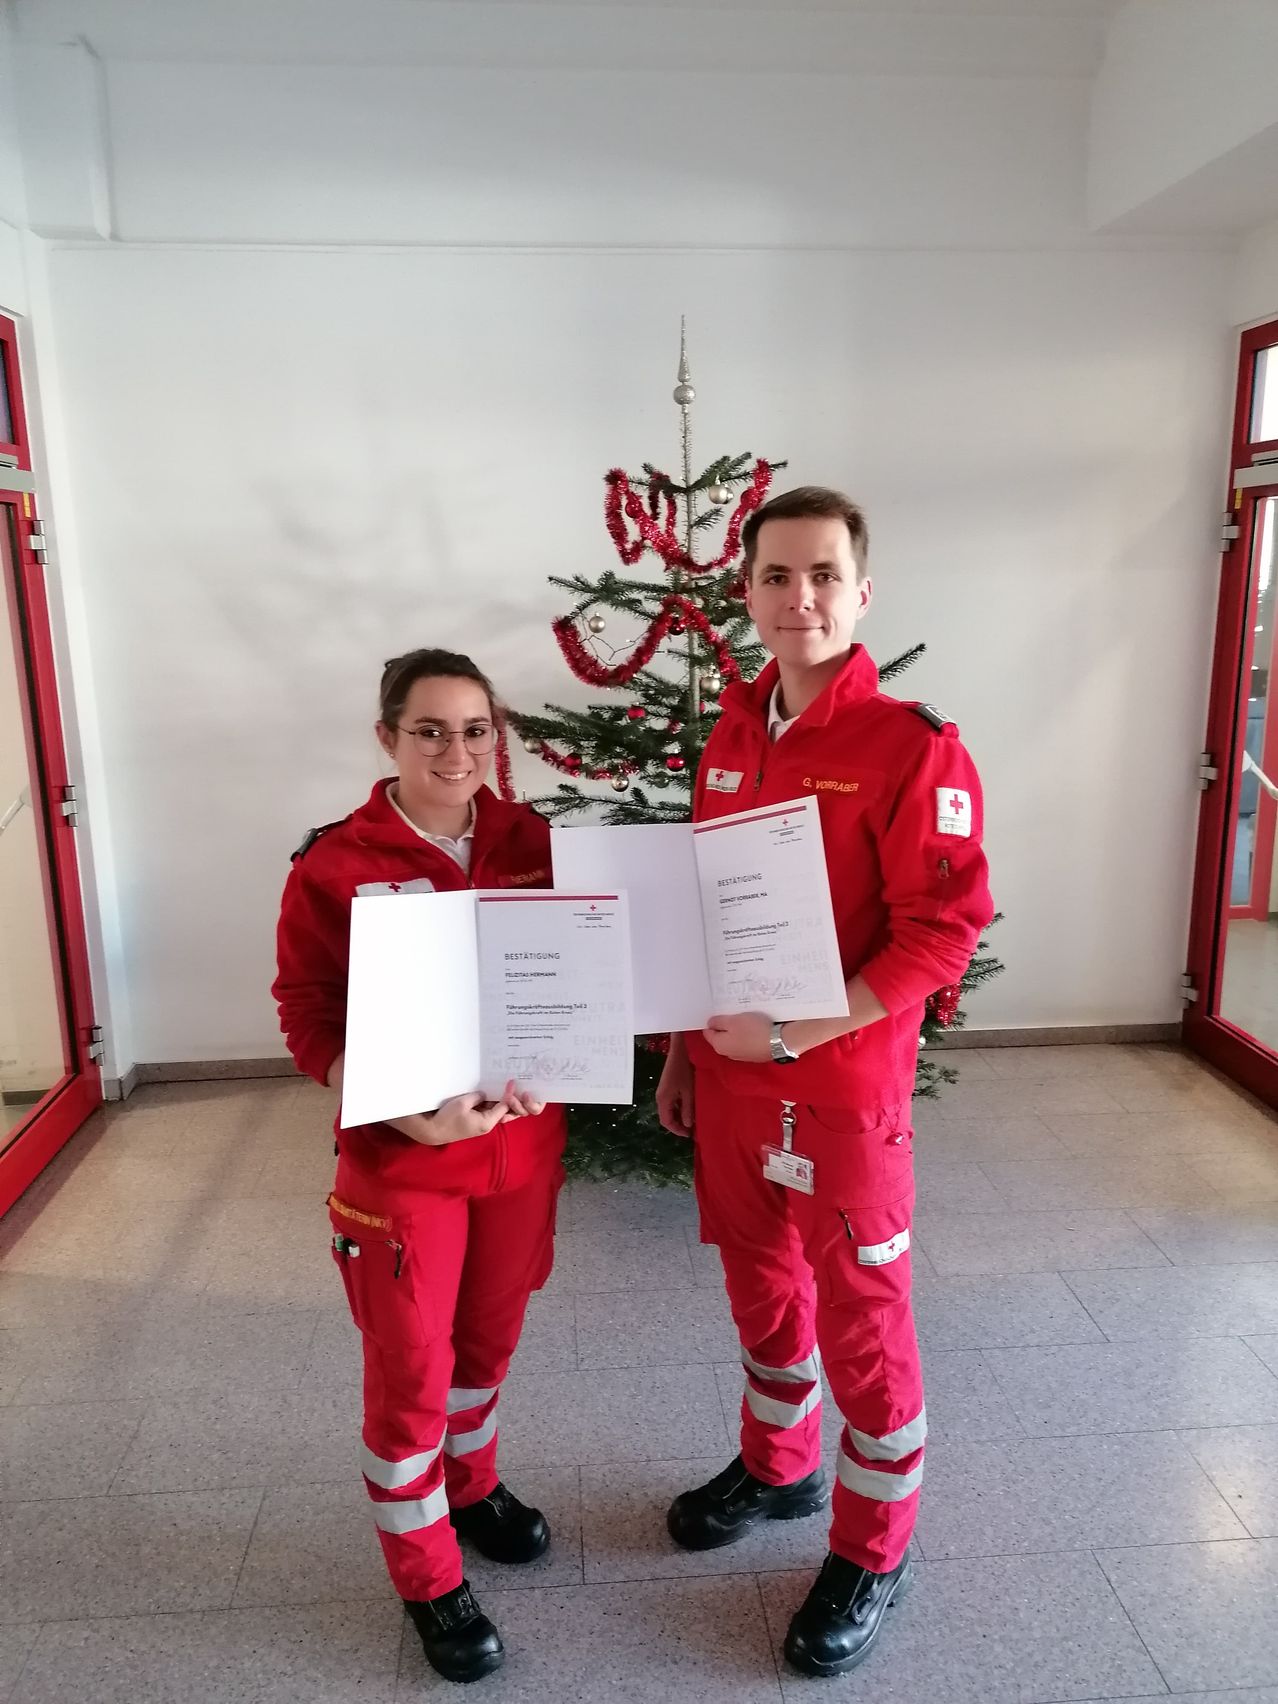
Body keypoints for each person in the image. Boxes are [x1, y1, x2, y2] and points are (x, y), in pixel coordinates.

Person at [656, 487, 993, 1678]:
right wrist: (692, 1055)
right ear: (744, 593)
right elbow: (708, 917)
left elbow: (942, 933)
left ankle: (873, 1545)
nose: (798, 598)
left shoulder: (914, 748)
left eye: (822, 576)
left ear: (861, 594)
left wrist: (797, 1035)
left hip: (842, 1098)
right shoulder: (733, 734)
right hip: (736, 1094)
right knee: (761, 1293)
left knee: (864, 1324)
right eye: (775, 577)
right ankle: (781, 1464)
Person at [273, 647, 566, 1686]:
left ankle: (473, 1480)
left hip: (520, 1157)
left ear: (499, 737)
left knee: (486, 1345)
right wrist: (402, 1110)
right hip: (400, 1172)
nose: (457, 750)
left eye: (476, 729)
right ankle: (428, 1575)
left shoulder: (534, 841)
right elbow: (305, 1014)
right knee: (410, 1373)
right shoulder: (334, 862)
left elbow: (568, 982)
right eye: (431, 729)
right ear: (387, 736)